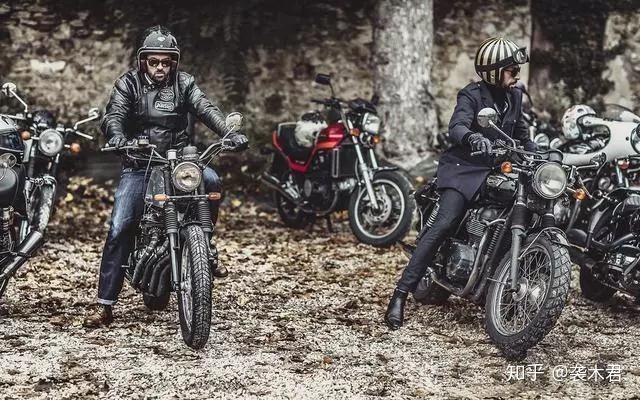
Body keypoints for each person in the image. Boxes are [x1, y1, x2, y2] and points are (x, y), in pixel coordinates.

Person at [85, 25, 248, 327]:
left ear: (174, 62)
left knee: (211, 180)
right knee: (121, 225)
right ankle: (105, 304)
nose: (160, 67)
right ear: (143, 61)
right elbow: (114, 115)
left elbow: (205, 108)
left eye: (166, 61)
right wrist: (118, 136)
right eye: (154, 62)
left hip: (179, 163)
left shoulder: (184, 83)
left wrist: (227, 133)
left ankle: (205, 245)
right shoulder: (128, 84)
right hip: (140, 162)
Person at [384, 37, 536, 329]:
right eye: (511, 70)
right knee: (445, 222)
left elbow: (522, 136)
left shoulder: (515, 97)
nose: (516, 75)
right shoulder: (471, 95)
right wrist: (472, 137)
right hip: (464, 169)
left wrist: (545, 154)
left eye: (517, 70)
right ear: (493, 71)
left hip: (497, 170)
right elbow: (457, 126)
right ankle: (400, 294)